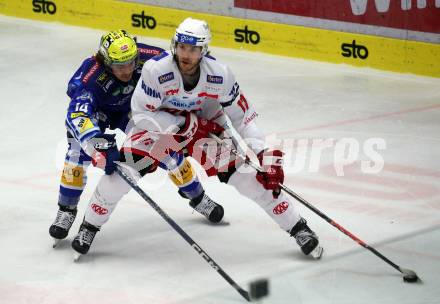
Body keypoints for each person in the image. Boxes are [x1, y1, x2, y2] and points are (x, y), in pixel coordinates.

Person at [72, 18, 322, 258]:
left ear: (204, 50)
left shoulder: (220, 75)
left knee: (251, 180)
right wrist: (186, 124)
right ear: (175, 45)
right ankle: (90, 226)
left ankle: (298, 228)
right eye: (182, 47)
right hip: (158, 132)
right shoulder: (156, 70)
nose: (186, 54)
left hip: (206, 130)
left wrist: (263, 153)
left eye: (193, 49)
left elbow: (242, 117)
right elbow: (141, 113)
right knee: (121, 177)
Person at [49, 29, 224, 248]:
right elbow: (78, 114)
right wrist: (97, 143)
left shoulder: (148, 56)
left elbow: (179, 64)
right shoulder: (90, 77)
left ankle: (198, 197)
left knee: (166, 150)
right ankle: (66, 210)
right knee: (76, 153)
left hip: (134, 110)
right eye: (119, 65)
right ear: (105, 61)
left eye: (131, 62)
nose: (127, 70)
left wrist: (206, 65)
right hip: (99, 115)